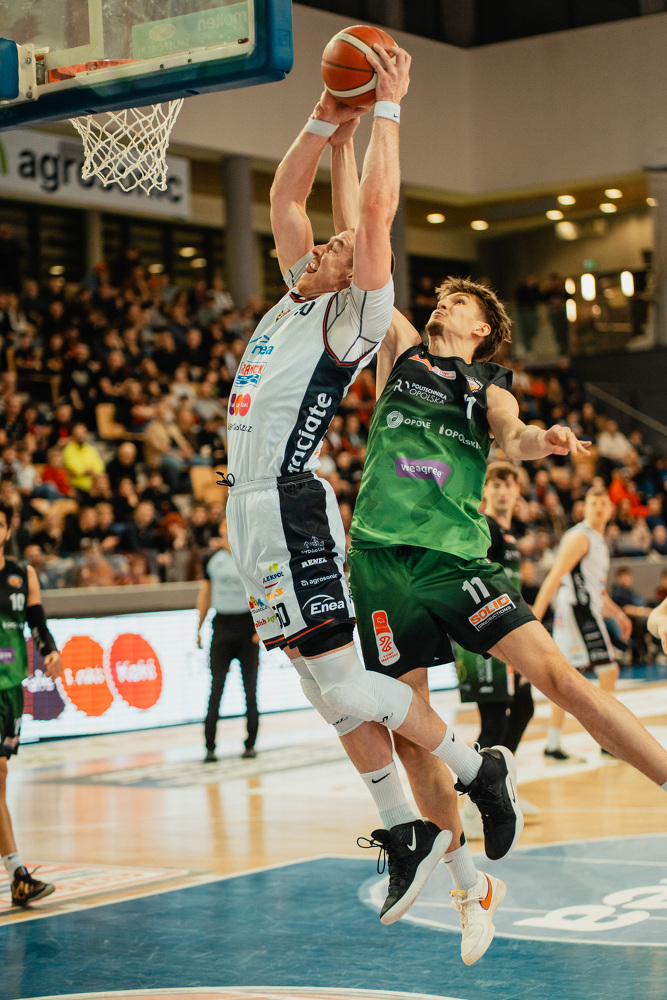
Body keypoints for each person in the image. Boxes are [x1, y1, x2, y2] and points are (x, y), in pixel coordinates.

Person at [223, 46, 519, 963]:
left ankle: (478, 770)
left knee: (352, 686)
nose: (325, 242)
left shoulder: (354, 314)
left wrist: (384, 110)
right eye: (323, 244)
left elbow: (375, 216)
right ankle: (409, 835)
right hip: (251, 513)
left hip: (307, 509)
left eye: (339, 247)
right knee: (325, 694)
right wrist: (325, 116)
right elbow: (284, 197)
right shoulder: (294, 297)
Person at [346, 275, 667, 958]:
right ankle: (470, 894)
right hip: (379, 562)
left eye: (458, 303)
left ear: (481, 329)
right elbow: (369, 262)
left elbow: (514, 436)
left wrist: (544, 440)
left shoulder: (488, 386)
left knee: (561, 680)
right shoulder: (400, 349)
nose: (442, 305)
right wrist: (353, 199)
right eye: (441, 299)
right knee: (410, 735)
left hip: (456, 560)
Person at [455, 462, 537, 836]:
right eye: (497, 484)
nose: (503, 491)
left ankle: (504, 789)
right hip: (484, 637)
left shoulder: (509, 533)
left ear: (518, 492)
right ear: (485, 490)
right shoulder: (484, 527)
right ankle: (476, 807)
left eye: (509, 485)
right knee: (493, 723)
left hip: (508, 635)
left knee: (523, 706)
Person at [531, 487, 631, 761]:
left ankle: (553, 744)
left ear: (610, 510)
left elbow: (597, 589)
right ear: (584, 508)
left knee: (566, 679)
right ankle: (609, 741)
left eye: (603, 503)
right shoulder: (580, 537)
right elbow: (554, 576)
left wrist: (618, 614)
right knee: (608, 671)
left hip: (583, 611)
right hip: (577, 612)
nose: (598, 507)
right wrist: (535, 617)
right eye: (593, 503)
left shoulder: (599, 541)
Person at [0, 501, 63, 906]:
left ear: (7, 530)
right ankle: (17, 873)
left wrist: (50, 651)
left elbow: (35, 620)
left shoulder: (22, 574)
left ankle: (16, 876)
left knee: (1, 777)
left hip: (10, 687)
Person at [196, 518, 259, 761]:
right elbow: (206, 593)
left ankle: (250, 744)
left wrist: (261, 629)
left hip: (247, 627)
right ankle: (210, 746)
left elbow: (262, 592)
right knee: (216, 688)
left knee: (250, 690)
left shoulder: (250, 558)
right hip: (222, 626)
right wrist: (198, 626)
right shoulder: (211, 560)